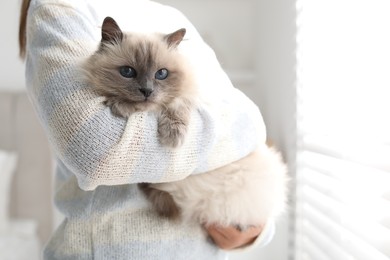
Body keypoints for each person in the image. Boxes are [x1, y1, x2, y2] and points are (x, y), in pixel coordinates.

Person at [19, 0, 275, 259]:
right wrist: (248, 123)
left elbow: (247, 137)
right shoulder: (57, 9)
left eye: (160, 75)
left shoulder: (174, 17)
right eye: (129, 72)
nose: (147, 88)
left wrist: (253, 232)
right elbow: (98, 151)